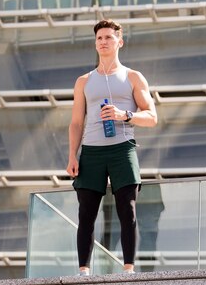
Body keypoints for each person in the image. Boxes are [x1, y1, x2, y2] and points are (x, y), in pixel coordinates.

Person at [66, 19, 158, 276]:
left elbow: (152, 117)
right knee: (86, 213)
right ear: (95, 44)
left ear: (120, 41)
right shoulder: (83, 81)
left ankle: (128, 269)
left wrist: (124, 115)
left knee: (127, 209)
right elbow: (75, 122)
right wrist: (72, 155)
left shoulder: (132, 77)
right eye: (99, 38)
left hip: (123, 148)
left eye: (108, 37)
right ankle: (83, 271)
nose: (103, 42)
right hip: (91, 151)